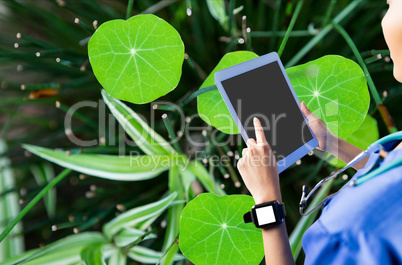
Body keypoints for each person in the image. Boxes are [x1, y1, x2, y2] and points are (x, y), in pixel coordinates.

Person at [236, 0, 402, 264]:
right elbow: (390, 173)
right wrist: (332, 144)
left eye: (391, 4)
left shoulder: (355, 232)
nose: (384, 18)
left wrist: (266, 199)